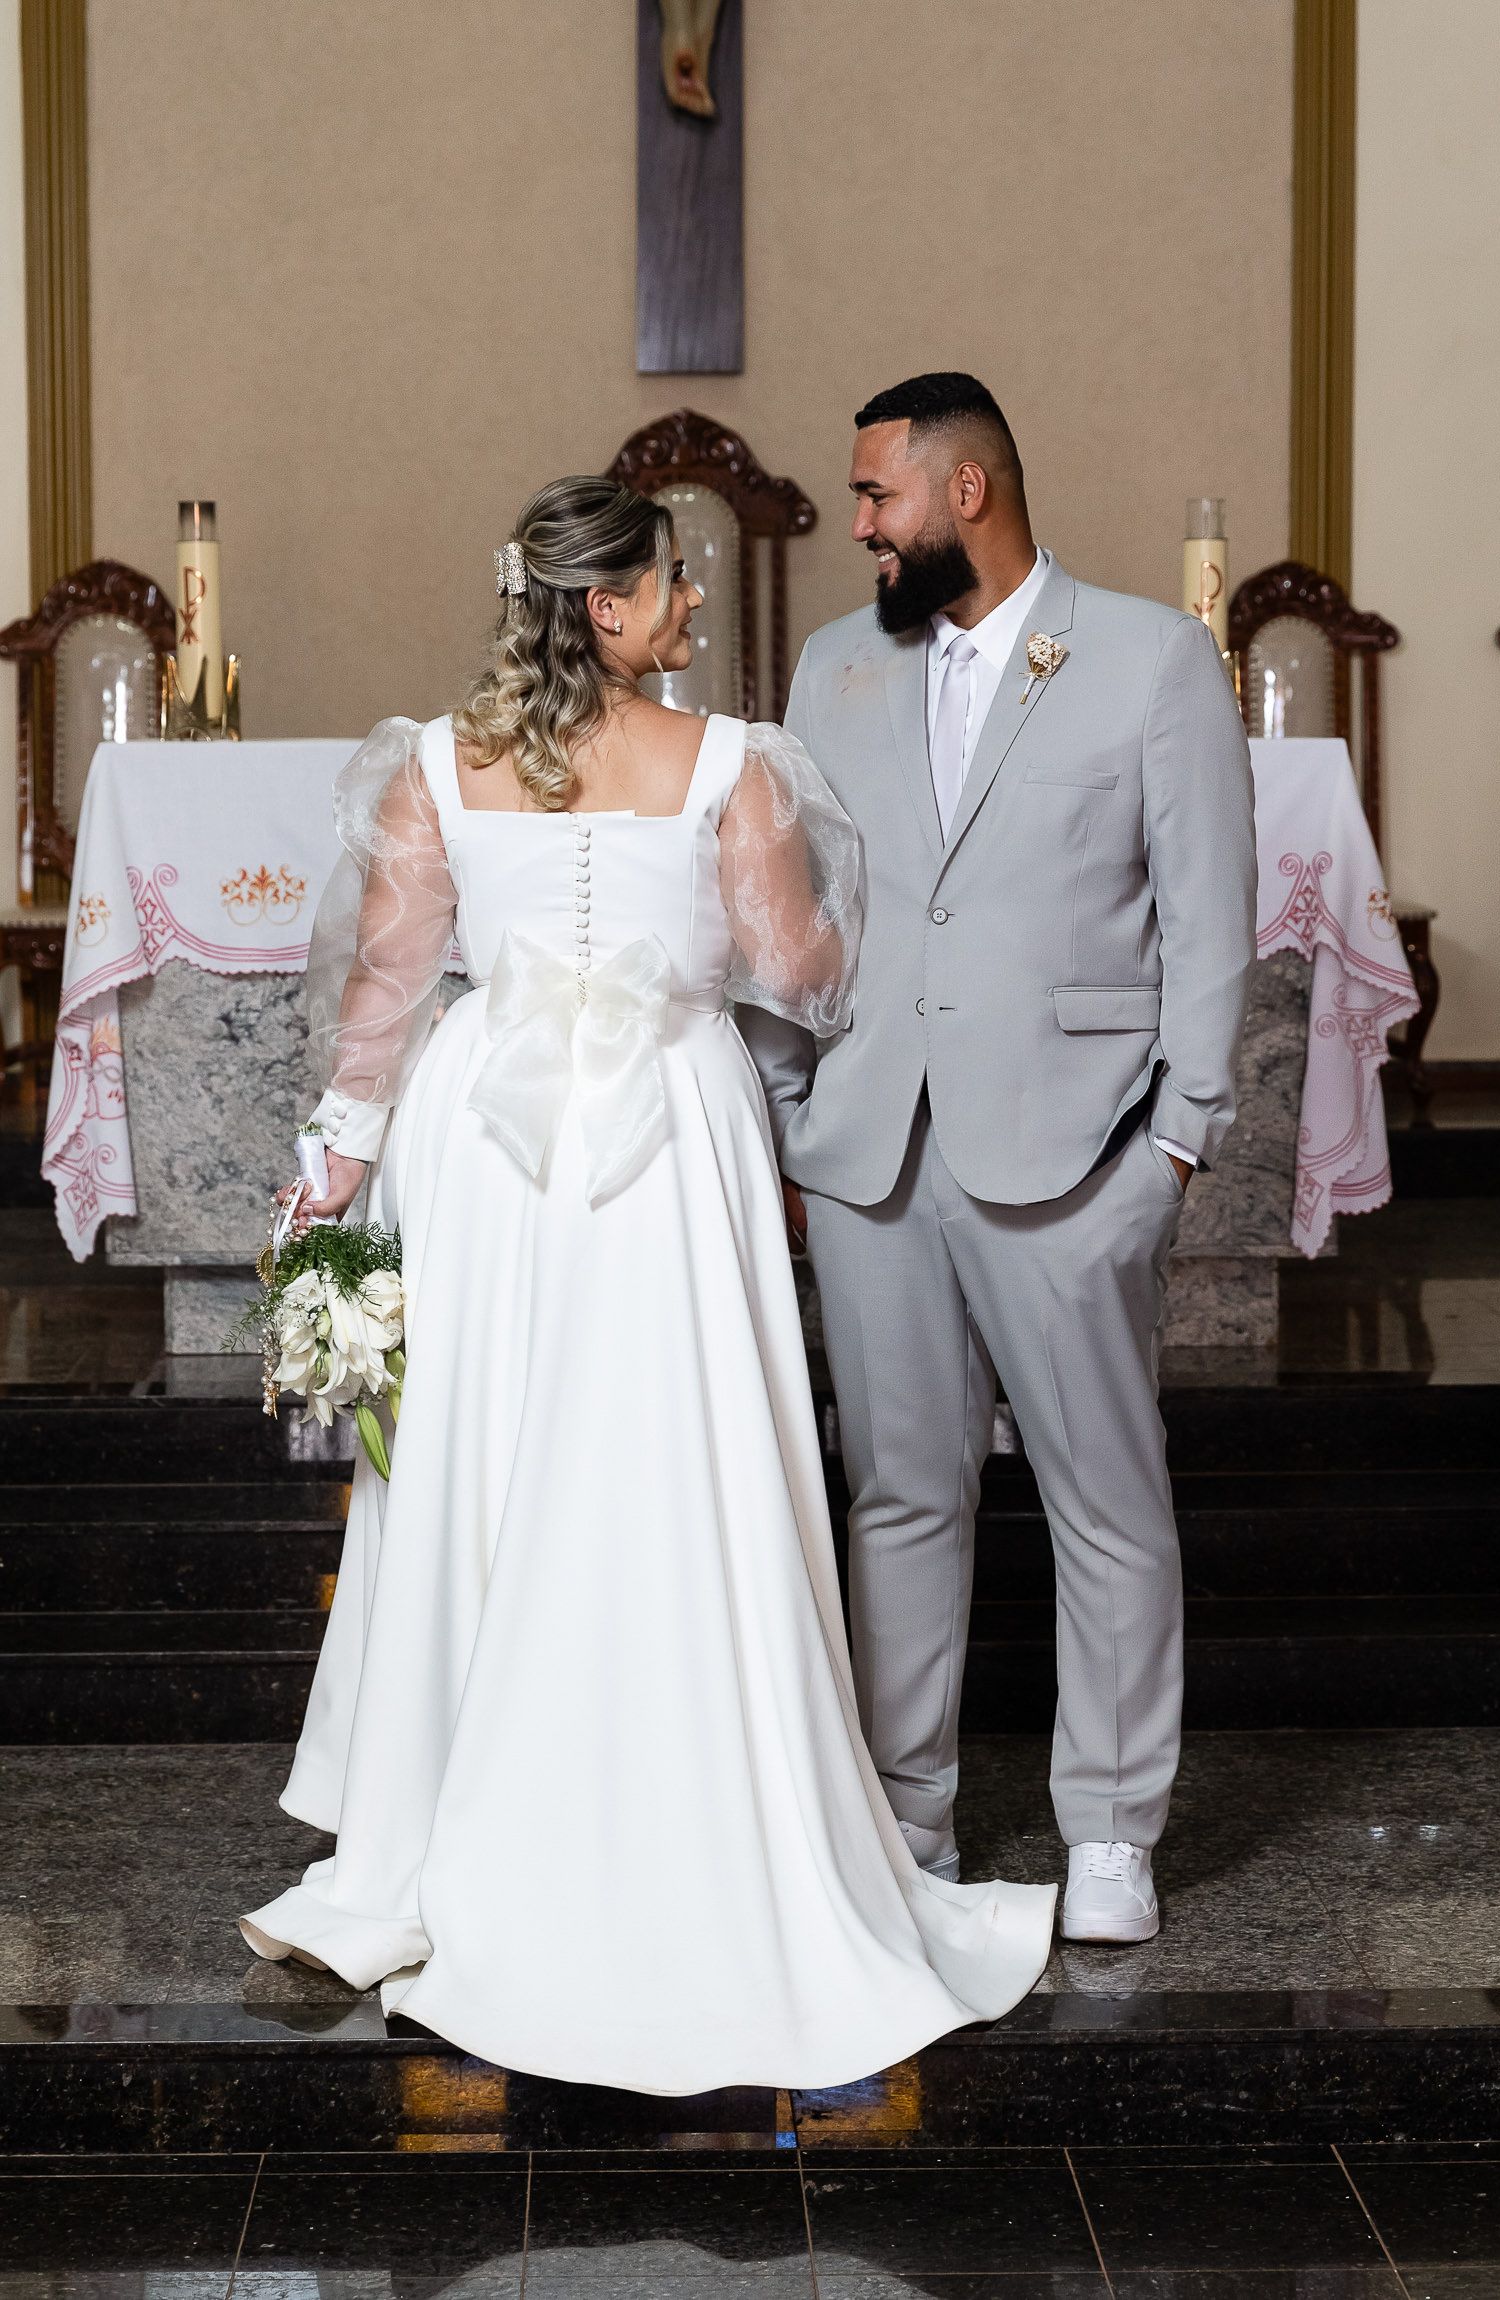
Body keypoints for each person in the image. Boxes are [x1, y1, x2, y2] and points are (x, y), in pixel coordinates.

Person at [239, 475, 1055, 2093]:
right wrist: (752, 955)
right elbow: (798, 972)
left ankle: (457, 1814)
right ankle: (693, 1814)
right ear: (604, 606)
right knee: (673, 1463)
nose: (693, 603)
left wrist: (332, 1162)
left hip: (480, 1150)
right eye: (672, 583)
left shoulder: (430, 762)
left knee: (484, 1460)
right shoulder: (733, 762)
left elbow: (386, 1000)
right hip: (669, 1136)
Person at [739, 375, 1257, 1945]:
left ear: (967, 493)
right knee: (898, 1492)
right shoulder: (832, 667)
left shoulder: (1151, 660)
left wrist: (1174, 1143)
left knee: (1104, 1496)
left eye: (875, 495)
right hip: (871, 1148)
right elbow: (786, 916)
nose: (858, 524)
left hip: (1076, 1148)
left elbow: (1209, 914)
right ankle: (909, 1817)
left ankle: (1109, 1828)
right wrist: (779, 1119)